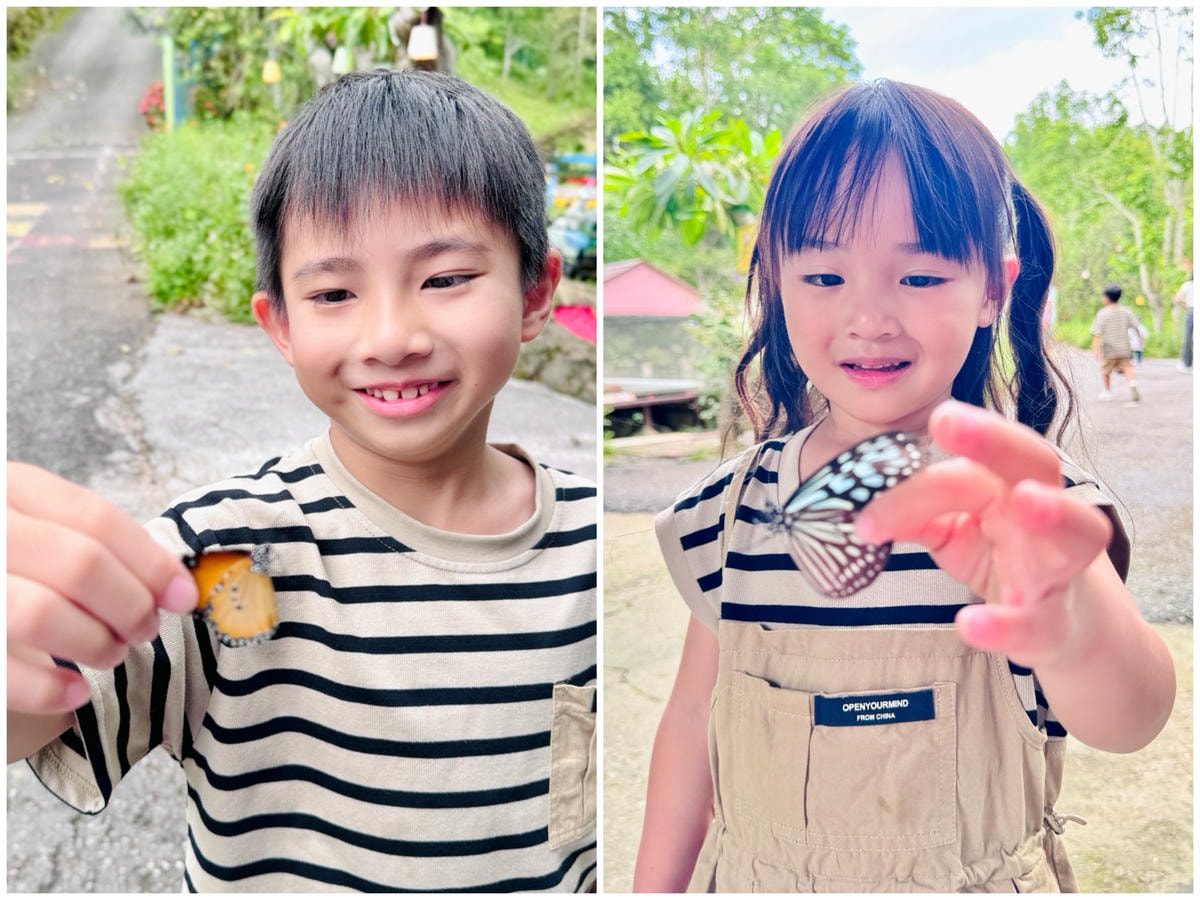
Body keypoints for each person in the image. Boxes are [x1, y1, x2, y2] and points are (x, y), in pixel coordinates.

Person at [7, 70, 597, 892]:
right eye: (333, 292)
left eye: (446, 279)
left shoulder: (594, 552)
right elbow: (42, 706)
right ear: (279, 325)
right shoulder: (230, 559)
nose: (391, 336)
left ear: (536, 294)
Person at [634, 80, 1174, 893]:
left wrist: (1071, 627)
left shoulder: (1033, 507)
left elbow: (1132, 720)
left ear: (993, 288)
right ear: (778, 284)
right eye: (824, 277)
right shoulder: (729, 516)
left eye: (919, 278)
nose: (871, 317)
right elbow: (686, 730)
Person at [1090, 283, 1142, 402]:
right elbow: (1137, 327)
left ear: (1107, 298)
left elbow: (1096, 334)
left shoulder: (1102, 313)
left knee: (1105, 371)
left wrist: (1095, 350)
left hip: (1109, 349)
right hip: (1124, 348)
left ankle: (1107, 392)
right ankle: (1133, 384)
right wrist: (1139, 344)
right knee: (1128, 368)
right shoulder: (1126, 311)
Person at [1174, 259, 1193, 370]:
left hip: (1191, 312)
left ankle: (1187, 364)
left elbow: (1177, 299)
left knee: (1188, 339)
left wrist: (1185, 306)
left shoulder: (1188, 285)